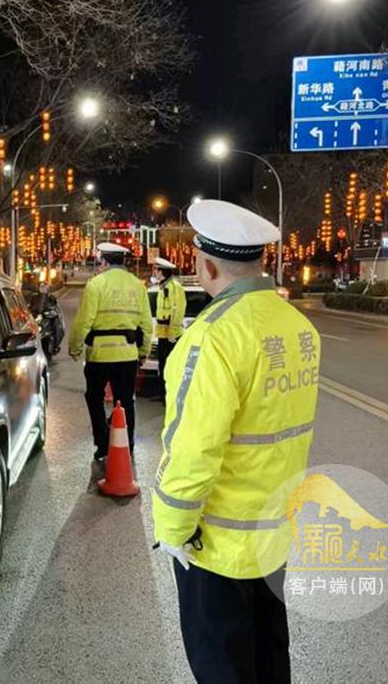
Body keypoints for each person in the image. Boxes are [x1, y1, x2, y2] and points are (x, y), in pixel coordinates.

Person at [151, 200, 321, 684]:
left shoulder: (213, 338)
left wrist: (173, 529)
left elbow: (193, 451)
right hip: (274, 535)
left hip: (218, 548)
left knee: (223, 667)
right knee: (269, 657)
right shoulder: (298, 327)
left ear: (206, 266)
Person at [68, 242, 152, 461]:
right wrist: (143, 352)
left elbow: (84, 321)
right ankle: (127, 443)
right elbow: (146, 325)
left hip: (99, 355)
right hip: (128, 355)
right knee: (126, 401)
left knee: (94, 398)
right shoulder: (138, 285)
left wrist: (75, 347)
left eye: (100, 262)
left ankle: (103, 443)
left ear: (104, 262)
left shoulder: (96, 284)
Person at [149, 257, 186, 402]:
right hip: (162, 333)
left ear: (162, 271)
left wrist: (172, 332)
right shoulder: (163, 287)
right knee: (162, 365)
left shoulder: (174, 287)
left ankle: (169, 395)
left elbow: (177, 310)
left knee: (170, 366)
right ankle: (162, 394)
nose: (155, 273)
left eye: (156, 270)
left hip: (171, 334)